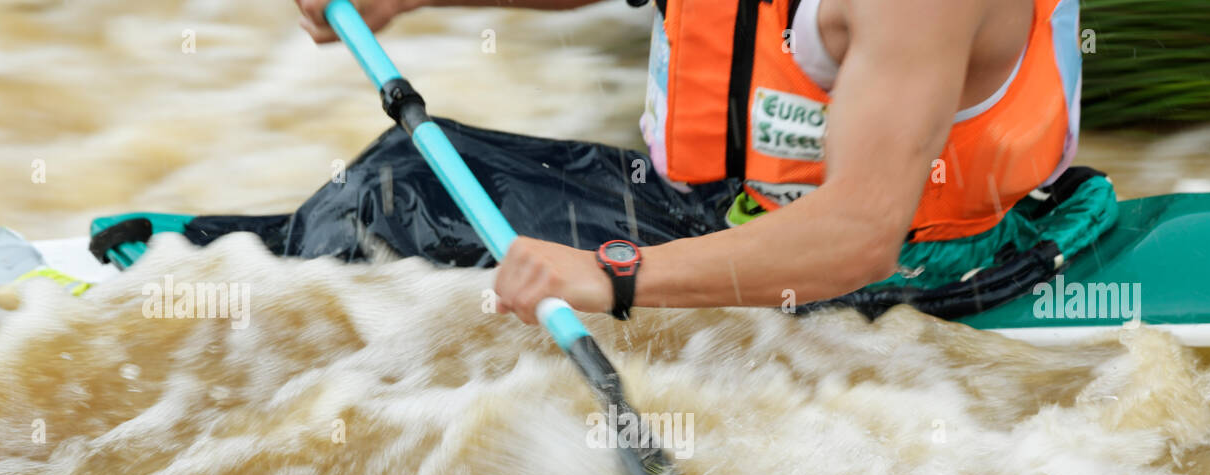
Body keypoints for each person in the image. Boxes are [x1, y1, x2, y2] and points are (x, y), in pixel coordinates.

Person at [92, 0, 1115, 324]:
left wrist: (611, 277)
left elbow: (857, 235)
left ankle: (188, 301)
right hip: (726, 213)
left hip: (906, 276)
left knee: (399, 205)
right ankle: (240, 276)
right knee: (400, 178)